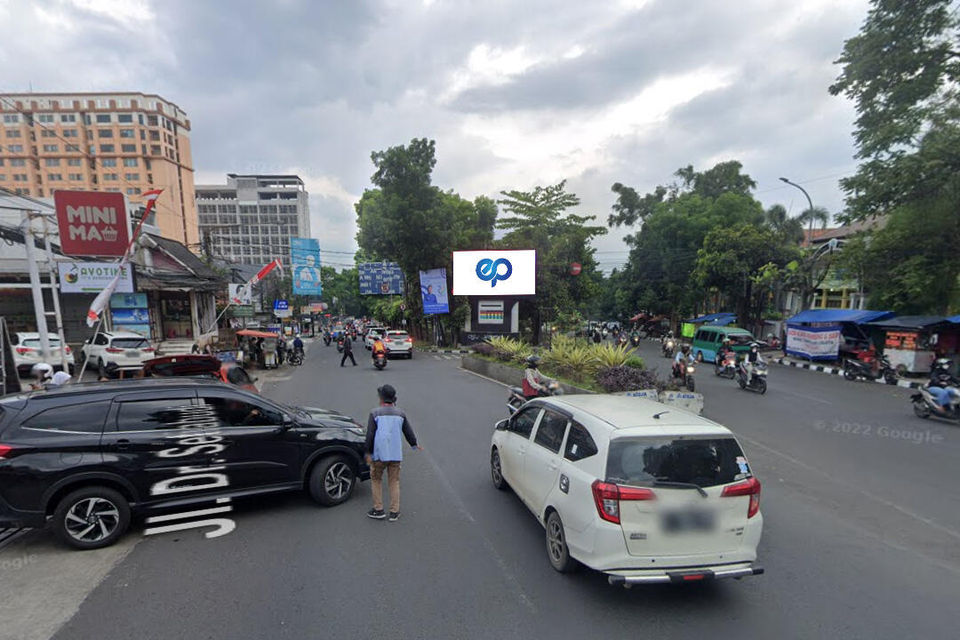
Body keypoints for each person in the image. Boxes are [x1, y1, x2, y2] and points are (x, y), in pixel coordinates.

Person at [364, 385, 420, 521]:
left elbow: (370, 435)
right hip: (395, 454)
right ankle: (394, 512)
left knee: (376, 479)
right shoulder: (400, 413)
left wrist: (368, 452)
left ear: (381, 398)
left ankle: (378, 509)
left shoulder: (375, 413)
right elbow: (408, 431)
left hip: (379, 454)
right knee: (394, 481)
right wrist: (414, 445)